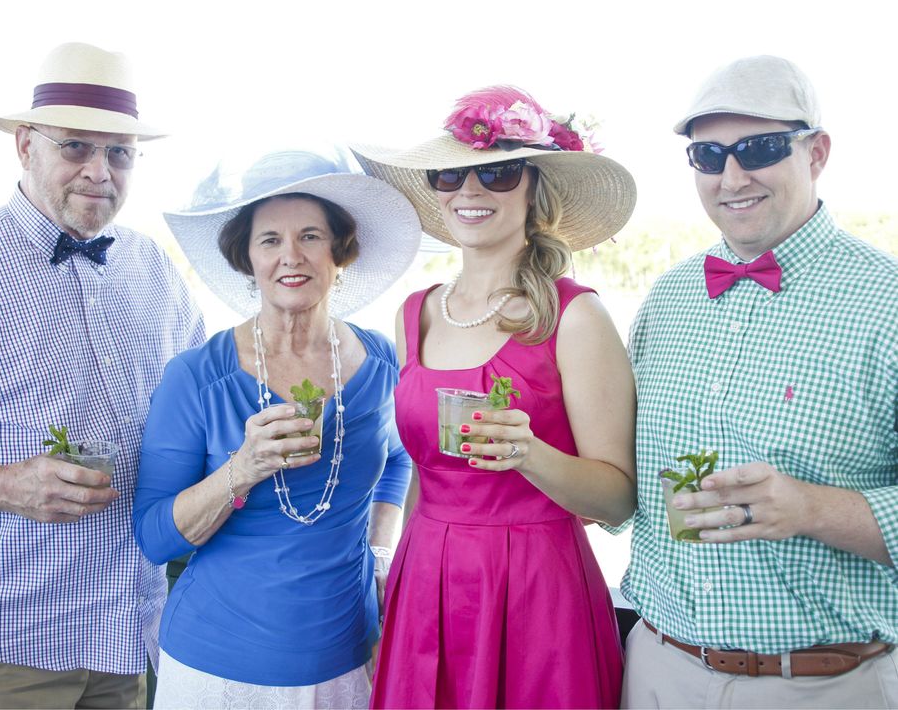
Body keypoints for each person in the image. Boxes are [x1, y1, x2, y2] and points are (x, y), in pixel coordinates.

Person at [0, 42, 205, 709]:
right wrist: (4, 485)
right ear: (25, 145)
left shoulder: (157, 271)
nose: (99, 171)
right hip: (0, 648)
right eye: (76, 146)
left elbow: (197, 416)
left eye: (120, 153)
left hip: (131, 638)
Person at [621, 55, 898, 709]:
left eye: (762, 148)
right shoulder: (666, 299)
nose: (732, 176)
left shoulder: (887, 302)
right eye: (709, 155)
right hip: (658, 669)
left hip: (828, 685)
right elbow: (620, 483)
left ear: (817, 152)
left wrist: (811, 507)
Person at [351, 85, 638, 709]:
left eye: (498, 171)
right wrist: (398, 586)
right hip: (426, 578)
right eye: (450, 174)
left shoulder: (576, 316)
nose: (469, 191)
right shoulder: (413, 314)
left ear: (534, 187)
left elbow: (617, 499)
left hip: (538, 589)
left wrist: (528, 452)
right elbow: (424, 475)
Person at [132, 149, 420, 709]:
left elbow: (400, 454)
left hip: (347, 655)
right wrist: (242, 470)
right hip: (217, 664)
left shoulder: (384, 361)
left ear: (341, 251)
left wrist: (380, 553)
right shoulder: (196, 377)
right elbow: (154, 537)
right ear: (247, 258)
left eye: (311, 236)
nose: (292, 256)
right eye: (270, 240)